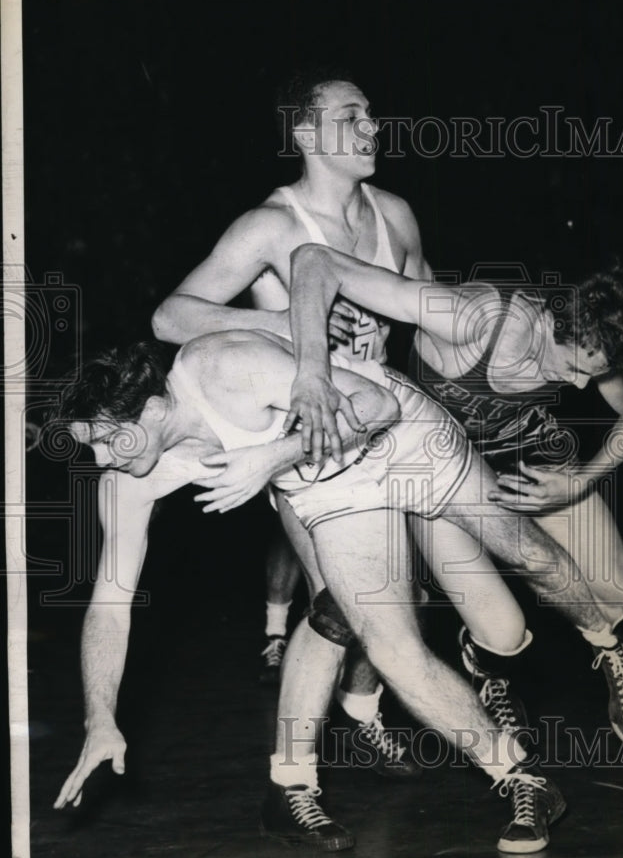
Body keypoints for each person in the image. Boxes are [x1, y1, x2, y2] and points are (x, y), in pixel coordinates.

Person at [51, 328, 622, 852]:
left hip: (396, 435)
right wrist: (99, 719)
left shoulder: (221, 367)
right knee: (390, 647)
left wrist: (272, 456)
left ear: (152, 409)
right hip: (326, 482)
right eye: (91, 446)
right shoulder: (125, 483)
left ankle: (619, 647)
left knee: (533, 557)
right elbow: (108, 606)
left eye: (108, 441)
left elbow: (377, 407)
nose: (102, 459)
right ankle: (524, 779)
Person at [282, 244, 623, 801]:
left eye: (592, 374)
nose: (580, 387)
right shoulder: (471, 317)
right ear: (554, 325)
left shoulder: (594, 341)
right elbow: (316, 261)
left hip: (527, 457)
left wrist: (582, 477)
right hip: (444, 468)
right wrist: (311, 372)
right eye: (575, 368)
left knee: (619, 590)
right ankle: (485, 659)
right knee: (505, 628)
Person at [150, 66, 448, 769]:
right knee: (340, 603)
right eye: (352, 116)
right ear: (306, 133)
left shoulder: (394, 214)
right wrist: (291, 319)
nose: (372, 127)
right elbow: (170, 317)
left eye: (372, 114)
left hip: (381, 415)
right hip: (303, 431)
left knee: (403, 594)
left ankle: (362, 706)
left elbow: (431, 315)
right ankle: (294, 776)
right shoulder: (270, 224)